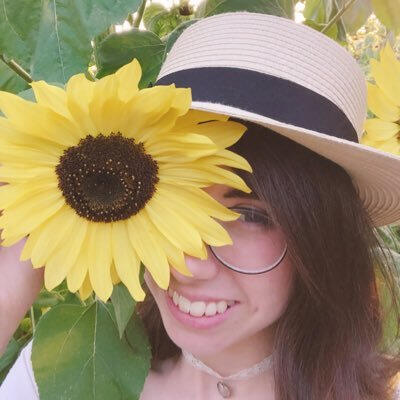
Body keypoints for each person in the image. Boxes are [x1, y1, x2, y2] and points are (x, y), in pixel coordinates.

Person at [1, 11, 400, 400]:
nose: (187, 266)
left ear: (323, 235)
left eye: (249, 215)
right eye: (169, 202)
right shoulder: (59, 375)